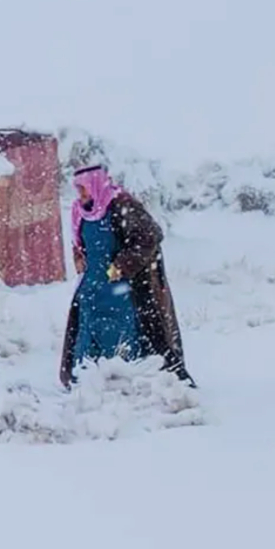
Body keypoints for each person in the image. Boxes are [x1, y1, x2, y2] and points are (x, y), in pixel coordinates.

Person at [59, 164, 196, 389]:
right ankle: (85, 382)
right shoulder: (80, 211)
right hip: (91, 286)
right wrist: (78, 256)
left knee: (120, 331)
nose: (80, 194)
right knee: (87, 332)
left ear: (95, 184)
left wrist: (121, 265)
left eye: (83, 188)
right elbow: (79, 241)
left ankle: (126, 380)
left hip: (119, 288)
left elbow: (150, 236)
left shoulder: (121, 205)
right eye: (78, 189)